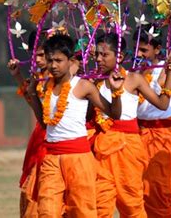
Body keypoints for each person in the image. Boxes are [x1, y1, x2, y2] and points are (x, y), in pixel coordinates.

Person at [26, 34, 123, 217]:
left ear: (70, 61)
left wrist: (117, 92)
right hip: (51, 158)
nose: (53, 65)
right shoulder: (47, 85)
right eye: (49, 60)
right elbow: (44, 123)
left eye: (58, 60)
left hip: (78, 158)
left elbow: (114, 113)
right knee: (47, 211)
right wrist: (32, 94)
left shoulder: (83, 86)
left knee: (82, 211)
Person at [93, 32, 171, 218]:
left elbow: (163, 104)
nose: (98, 59)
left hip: (129, 147)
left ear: (119, 57)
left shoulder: (133, 79)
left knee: (131, 203)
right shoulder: (95, 82)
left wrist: (170, 72)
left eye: (104, 55)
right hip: (103, 146)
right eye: (96, 54)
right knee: (100, 203)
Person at [132, 25, 171, 217]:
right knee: (139, 186)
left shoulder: (166, 71)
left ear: (157, 49)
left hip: (163, 136)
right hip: (139, 135)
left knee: (160, 186)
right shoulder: (134, 74)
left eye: (144, 50)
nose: (139, 54)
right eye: (137, 50)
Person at [7, 30, 49, 218]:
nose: (38, 60)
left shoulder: (66, 78)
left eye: (42, 54)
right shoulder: (38, 77)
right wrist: (18, 76)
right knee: (33, 194)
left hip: (64, 143)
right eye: (34, 54)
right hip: (40, 139)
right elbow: (35, 107)